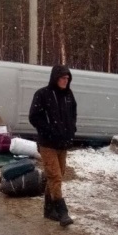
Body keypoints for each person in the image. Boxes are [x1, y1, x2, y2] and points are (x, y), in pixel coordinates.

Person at [29, 65, 77, 226]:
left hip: (63, 144)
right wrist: (49, 130)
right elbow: (34, 117)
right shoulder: (43, 94)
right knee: (55, 176)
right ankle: (63, 212)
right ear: (55, 78)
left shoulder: (69, 95)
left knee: (58, 175)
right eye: (63, 78)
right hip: (47, 143)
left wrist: (71, 131)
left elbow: (73, 115)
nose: (65, 81)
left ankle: (49, 210)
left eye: (67, 78)